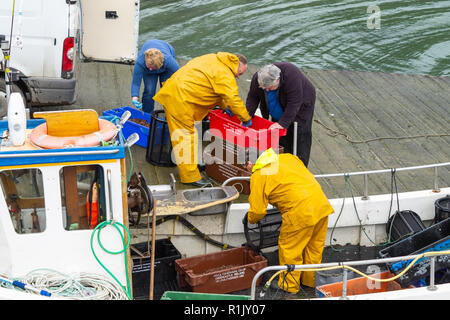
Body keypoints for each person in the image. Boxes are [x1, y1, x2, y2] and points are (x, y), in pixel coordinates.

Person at [153, 52, 252, 187]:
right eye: (239, 73)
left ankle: (190, 166)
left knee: (189, 136)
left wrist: (225, 106)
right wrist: (245, 118)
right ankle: (190, 177)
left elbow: (215, 89)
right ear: (235, 65)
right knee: (186, 137)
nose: (238, 76)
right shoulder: (225, 74)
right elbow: (233, 98)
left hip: (175, 92)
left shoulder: (213, 59)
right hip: (180, 101)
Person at [244, 148, 334, 295]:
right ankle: (310, 281)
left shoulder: (259, 175)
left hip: (299, 213)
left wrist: (250, 218)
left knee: (290, 250)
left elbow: (258, 211)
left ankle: (289, 286)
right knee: (314, 248)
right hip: (321, 206)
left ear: (250, 163)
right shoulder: (288, 158)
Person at [246, 63, 316, 167]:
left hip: (301, 103)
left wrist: (282, 123)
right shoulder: (258, 77)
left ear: (278, 79)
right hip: (277, 104)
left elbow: (294, 103)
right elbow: (253, 97)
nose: (266, 90)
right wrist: (246, 116)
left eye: (270, 88)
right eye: (264, 88)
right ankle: (282, 163)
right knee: (280, 136)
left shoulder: (292, 75)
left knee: (300, 135)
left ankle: (300, 167)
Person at [130, 39, 180, 114]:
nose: (150, 69)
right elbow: (136, 83)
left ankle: (169, 114)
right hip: (149, 71)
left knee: (167, 90)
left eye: (152, 68)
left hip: (165, 66)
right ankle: (147, 114)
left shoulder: (168, 60)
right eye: (148, 66)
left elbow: (180, 75)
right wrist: (134, 97)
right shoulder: (141, 61)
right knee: (149, 91)